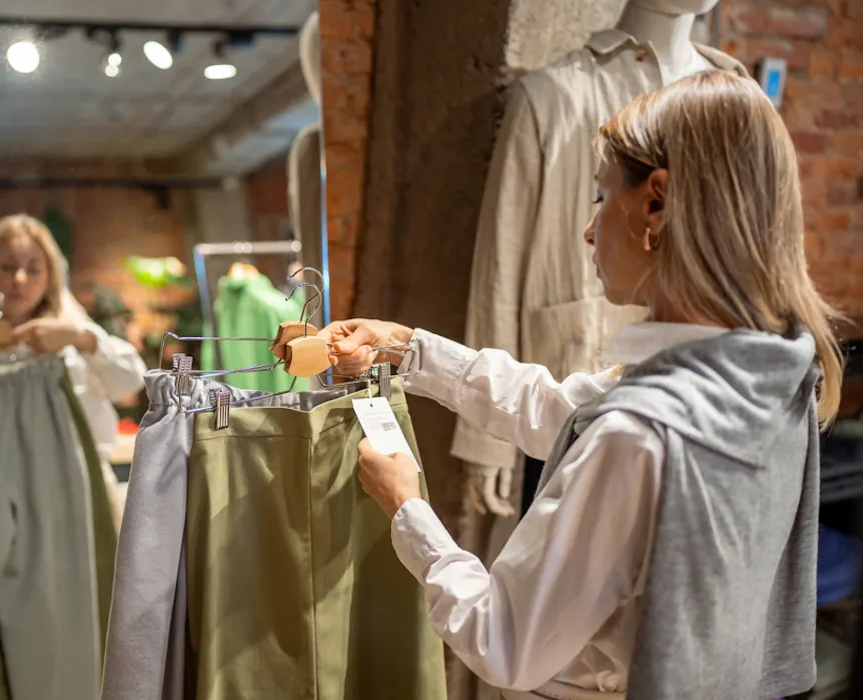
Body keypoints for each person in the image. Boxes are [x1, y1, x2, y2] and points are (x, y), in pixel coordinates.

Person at [320, 71, 842, 700]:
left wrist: (406, 506)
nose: (590, 230)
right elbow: (562, 411)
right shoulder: (774, 376)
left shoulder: (639, 435)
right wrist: (409, 349)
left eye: (601, 195)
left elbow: (501, 638)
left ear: (656, 204)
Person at [0, 213, 148, 521]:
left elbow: (131, 381)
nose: (19, 280)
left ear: (50, 276)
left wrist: (82, 338)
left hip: (84, 495)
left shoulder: (76, 336)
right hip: (8, 505)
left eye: (33, 269)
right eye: (8, 267)